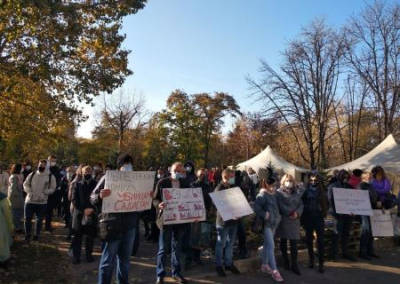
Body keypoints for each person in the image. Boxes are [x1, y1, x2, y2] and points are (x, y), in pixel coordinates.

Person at [91, 154, 142, 284]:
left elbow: (142, 203)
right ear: (119, 166)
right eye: (125, 164)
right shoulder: (107, 178)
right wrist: (100, 196)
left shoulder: (137, 181)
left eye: (130, 164)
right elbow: (92, 198)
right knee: (108, 261)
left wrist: (147, 197)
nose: (128, 166)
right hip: (112, 226)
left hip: (130, 226)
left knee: (125, 261)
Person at [153, 162, 190, 284]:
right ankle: (160, 274)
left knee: (177, 248)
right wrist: (159, 204)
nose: (179, 173)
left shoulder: (185, 183)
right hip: (166, 220)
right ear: (172, 171)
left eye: (182, 171)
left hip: (180, 220)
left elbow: (190, 200)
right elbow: (154, 199)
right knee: (163, 248)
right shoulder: (162, 183)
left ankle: (177, 273)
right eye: (177, 171)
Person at [254, 177, 284, 283]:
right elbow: (256, 209)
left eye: (276, 185)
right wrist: (265, 215)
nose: (275, 187)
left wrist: (278, 217)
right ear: (267, 185)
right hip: (266, 224)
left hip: (274, 223)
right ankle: (275, 270)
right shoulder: (262, 195)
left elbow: (277, 208)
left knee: (267, 244)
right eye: (273, 185)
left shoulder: (273, 195)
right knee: (271, 246)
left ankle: (265, 265)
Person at [214, 169, 240, 277]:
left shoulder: (233, 187)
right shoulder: (219, 189)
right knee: (221, 244)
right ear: (225, 177)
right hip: (223, 222)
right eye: (231, 176)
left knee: (230, 243)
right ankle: (219, 266)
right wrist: (231, 214)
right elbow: (220, 205)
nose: (234, 178)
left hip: (234, 222)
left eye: (233, 176)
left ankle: (228, 263)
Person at [276, 173, 303, 275]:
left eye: (291, 180)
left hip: (295, 220)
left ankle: (294, 265)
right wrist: (291, 212)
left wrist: (297, 213)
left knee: (293, 244)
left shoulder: (296, 192)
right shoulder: (279, 193)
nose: (289, 182)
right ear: (283, 182)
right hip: (284, 220)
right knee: (283, 241)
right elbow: (280, 205)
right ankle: (286, 261)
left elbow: (301, 204)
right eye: (287, 180)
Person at [23, 160, 56, 241]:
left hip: (42, 202)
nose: (41, 166)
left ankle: (36, 235)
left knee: (39, 219)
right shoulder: (32, 174)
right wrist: (29, 191)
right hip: (30, 201)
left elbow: (53, 188)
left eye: (43, 165)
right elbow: (25, 184)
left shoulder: (50, 176)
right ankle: (28, 234)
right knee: (27, 218)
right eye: (40, 165)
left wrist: (45, 192)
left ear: (47, 166)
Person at [327, 169, 357, 261]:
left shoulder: (350, 187)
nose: (345, 179)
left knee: (346, 234)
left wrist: (353, 210)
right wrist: (338, 211)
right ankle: (334, 254)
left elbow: (354, 200)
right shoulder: (333, 186)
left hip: (348, 215)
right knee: (337, 234)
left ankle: (345, 253)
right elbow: (330, 201)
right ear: (340, 176)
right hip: (337, 215)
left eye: (347, 177)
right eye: (344, 177)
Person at [71, 166, 97, 264]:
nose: (87, 173)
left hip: (91, 214)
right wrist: (83, 210)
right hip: (79, 214)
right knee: (77, 237)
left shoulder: (97, 184)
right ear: (81, 173)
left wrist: (92, 209)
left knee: (90, 237)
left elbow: (99, 199)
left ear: (92, 172)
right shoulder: (77, 185)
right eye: (85, 172)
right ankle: (76, 256)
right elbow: (74, 199)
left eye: (89, 171)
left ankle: (89, 255)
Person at [302, 173, 328, 273]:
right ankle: (312, 260)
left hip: (318, 218)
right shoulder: (306, 191)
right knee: (309, 240)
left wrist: (323, 212)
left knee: (320, 241)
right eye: (311, 181)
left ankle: (321, 263)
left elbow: (328, 204)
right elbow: (302, 202)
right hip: (308, 218)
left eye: (315, 181)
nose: (313, 183)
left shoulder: (323, 193)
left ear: (319, 182)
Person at [189, 168, 211, 266]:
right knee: (194, 234)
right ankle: (191, 257)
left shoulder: (207, 185)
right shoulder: (193, 185)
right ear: (197, 175)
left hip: (204, 211)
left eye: (203, 174)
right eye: (200, 174)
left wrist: (208, 209)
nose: (202, 176)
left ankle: (197, 257)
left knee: (201, 234)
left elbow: (209, 198)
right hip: (195, 212)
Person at [358, 171, 380, 260]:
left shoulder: (371, 186)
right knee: (366, 232)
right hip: (364, 212)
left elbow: (376, 195)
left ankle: (370, 251)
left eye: (371, 176)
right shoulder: (361, 186)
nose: (371, 178)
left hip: (372, 210)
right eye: (369, 176)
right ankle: (363, 252)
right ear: (364, 178)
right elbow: (365, 197)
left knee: (372, 232)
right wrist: (375, 202)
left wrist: (380, 202)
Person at [45, 155, 62, 232]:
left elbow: (58, 180)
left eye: (54, 161)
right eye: (51, 160)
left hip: (52, 193)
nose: (53, 162)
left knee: (49, 210)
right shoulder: (44, 168)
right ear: (48, 160)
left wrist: (54, 187)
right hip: (42, 192)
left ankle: (48, 226)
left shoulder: (56, 169)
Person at [8, 164, 25, 233]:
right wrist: (18, 195)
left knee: (18, 213)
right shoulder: (14, 177)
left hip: (18, 197)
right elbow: (13, 189)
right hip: (15, 198)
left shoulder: (18, 176)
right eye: (21, 167)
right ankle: (17, 228)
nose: (23, 169)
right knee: (16, 213)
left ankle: (17, 227)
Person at [0, 187, 13, 269]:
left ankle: (4, 260)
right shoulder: (3, 200)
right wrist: (10, 228)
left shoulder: (3, 200)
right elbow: (8, 216)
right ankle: (4, 260)